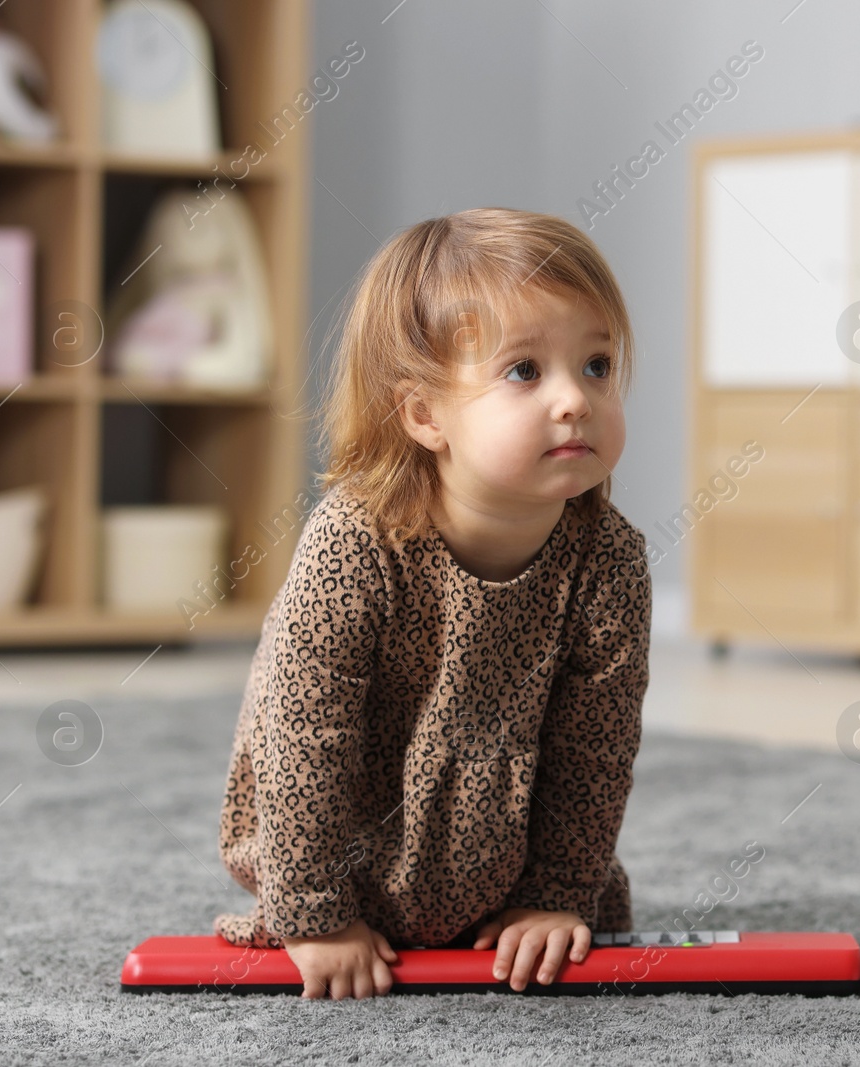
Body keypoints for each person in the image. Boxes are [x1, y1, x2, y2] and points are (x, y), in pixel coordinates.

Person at [214, 208, 651, 999]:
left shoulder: (610, 559)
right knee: (320, 824)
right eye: (525, 371)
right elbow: (302, 737)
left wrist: (554, 894)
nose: (575, 399)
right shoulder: (355, 544)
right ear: (423, 415)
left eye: (596, 365)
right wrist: (315, 915)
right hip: (345, 836)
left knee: (584, 911)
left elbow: (596, 752)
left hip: (497, 841)